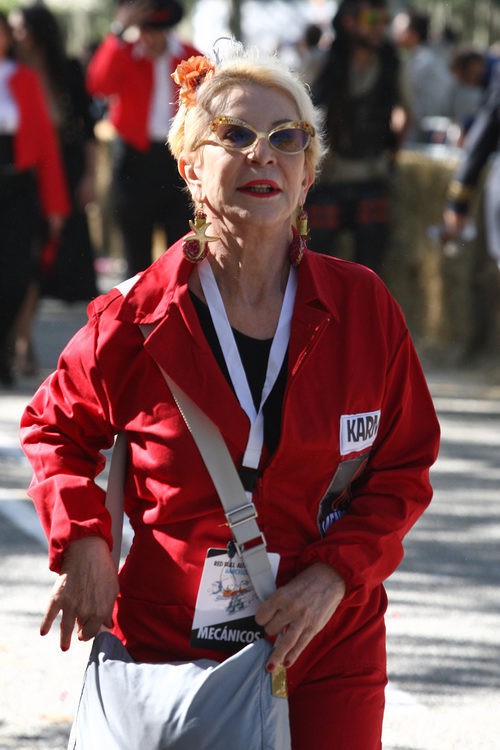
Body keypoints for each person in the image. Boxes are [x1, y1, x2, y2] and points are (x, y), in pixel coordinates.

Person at [20, 43, 440, 750]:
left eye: (286, 138)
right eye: (235, 135)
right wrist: (85, 539)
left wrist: (336, 576)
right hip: (168, 644)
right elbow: (54, 430)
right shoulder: (130, 319)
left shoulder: (365, 308)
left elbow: (403, 467)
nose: (262, 154)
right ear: (190, 167)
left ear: (308, 175)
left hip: (323, 641)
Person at [8, 3, 99, 376]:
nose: (15, 36)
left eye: (21, 28)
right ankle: (18, 338)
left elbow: (89, 130)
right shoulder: (8, 71)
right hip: (24, 175)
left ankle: (23, 338)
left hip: (66, 169)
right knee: (22, 258)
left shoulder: (69, 70)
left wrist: (91, 176)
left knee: (48, 258)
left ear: (40, 30)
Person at [86, 0, 200, 276]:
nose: (149, 37)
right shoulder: (125, 54)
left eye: (156, 29)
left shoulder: (188, 56)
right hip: (134, 160)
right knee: (135, 251)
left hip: (176, 161)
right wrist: (118, 31)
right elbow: (97, 83)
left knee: (181, 249)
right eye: (144, 29)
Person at [305, 0, 408, 273]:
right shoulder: (322, 62)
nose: (380, 29)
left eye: (385, 22)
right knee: (316, 267)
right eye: (374, 21)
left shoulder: (391, 64)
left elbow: (405, 113)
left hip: (371, 175)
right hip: (327, 179)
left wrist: (392, 155)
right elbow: (294, 109)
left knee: (371, 268)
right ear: (349, 22)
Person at [0, 11, 69, 387]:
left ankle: (5, 350)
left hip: (18, 188)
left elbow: (44, 144)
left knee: (14, 276)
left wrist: (55, 205)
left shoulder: (24, 80)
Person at [392, 8, 454, 144]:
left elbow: (413, 104)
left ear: (413, 34)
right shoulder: (421, 58)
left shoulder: (423, 62)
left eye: (398, 28)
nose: (394, 32)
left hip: (421, 135)